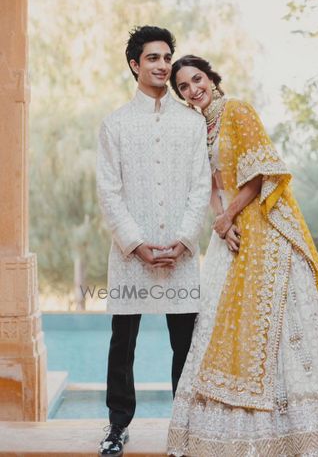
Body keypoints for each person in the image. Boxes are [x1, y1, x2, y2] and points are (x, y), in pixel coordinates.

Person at [166, 55, 318, 457]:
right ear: (180, 94)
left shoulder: (238, 111)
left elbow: (262, 174)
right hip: (229, 234)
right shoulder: (201, 127)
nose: (193, 89)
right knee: (225, 324)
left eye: (197, 79)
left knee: (279, 320)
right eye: (183, 86)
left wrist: (230, 216)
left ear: (212, 78)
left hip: (264, 226)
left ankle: (304, 429)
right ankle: (245, 433)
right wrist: (223, 222)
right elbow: (214, 186)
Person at [96, 29, 211, 457]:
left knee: (184, 342)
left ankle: (183, 429)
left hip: (180, 253)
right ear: (134, 65)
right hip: (132, 254)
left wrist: (183, 239)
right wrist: (135, 243)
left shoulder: (191, 123)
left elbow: (201, 186)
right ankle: (117, 426)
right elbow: (109, 191)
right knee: (122, 341)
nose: (162, 65)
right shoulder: (116, 124)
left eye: (167, 57)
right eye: (152, 58)